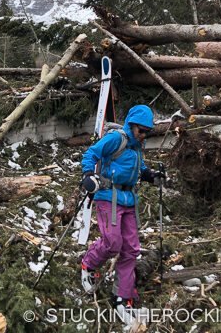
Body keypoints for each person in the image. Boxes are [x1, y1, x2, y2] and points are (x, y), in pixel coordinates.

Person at [80, 104, 165, 319]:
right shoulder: (117, 138)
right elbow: (92, 153)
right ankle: (88, 264)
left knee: (131, 249)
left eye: (148, 131)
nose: (144, 135)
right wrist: (88, 175)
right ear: (132, 125)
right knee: (112, 242)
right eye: (141, 130)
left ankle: (122, 296)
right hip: (108, 196)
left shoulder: (137, 146)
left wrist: (151, 176)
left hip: (129, 200)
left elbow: (140, 169)